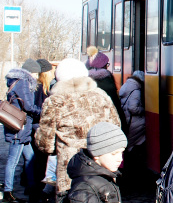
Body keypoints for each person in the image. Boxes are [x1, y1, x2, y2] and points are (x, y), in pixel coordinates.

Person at [34, 58, 121, 194]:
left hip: (70, 169)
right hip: (100, 164)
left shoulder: (55, 101)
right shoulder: (101, 96)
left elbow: (46, 143)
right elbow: (115, 127)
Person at [2, 59, 42, 203]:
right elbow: (29, 106)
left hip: (21, 129)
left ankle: (32, 190)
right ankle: (7, 192)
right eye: (36, 73)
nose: (37, 77)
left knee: (30, 158)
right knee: (13, 161)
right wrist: (43, 111)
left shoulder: (17, 81)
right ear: (31, 72)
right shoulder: (24, 83)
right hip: (20, 128)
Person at [27, 58, 55, 203]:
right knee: (41, 162)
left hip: (38, 127)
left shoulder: (40, 87)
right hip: (39, 127)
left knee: (39, 161)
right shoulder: (40, 88)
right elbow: (35, 108)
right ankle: (38, 193)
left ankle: (35, 191)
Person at [117, 71, 148, 194]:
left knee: (129, 146)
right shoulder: (136, 91)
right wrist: (146, 110)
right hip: (135, 122)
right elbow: (133, 108)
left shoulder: (125, 87)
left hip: (128, 121)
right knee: (135, 146)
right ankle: (134, 176)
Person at [85, 46, 122, 118]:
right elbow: (116, 107)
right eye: (107, 64)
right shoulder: (106, 82)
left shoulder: (84, 81)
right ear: (103, 66)